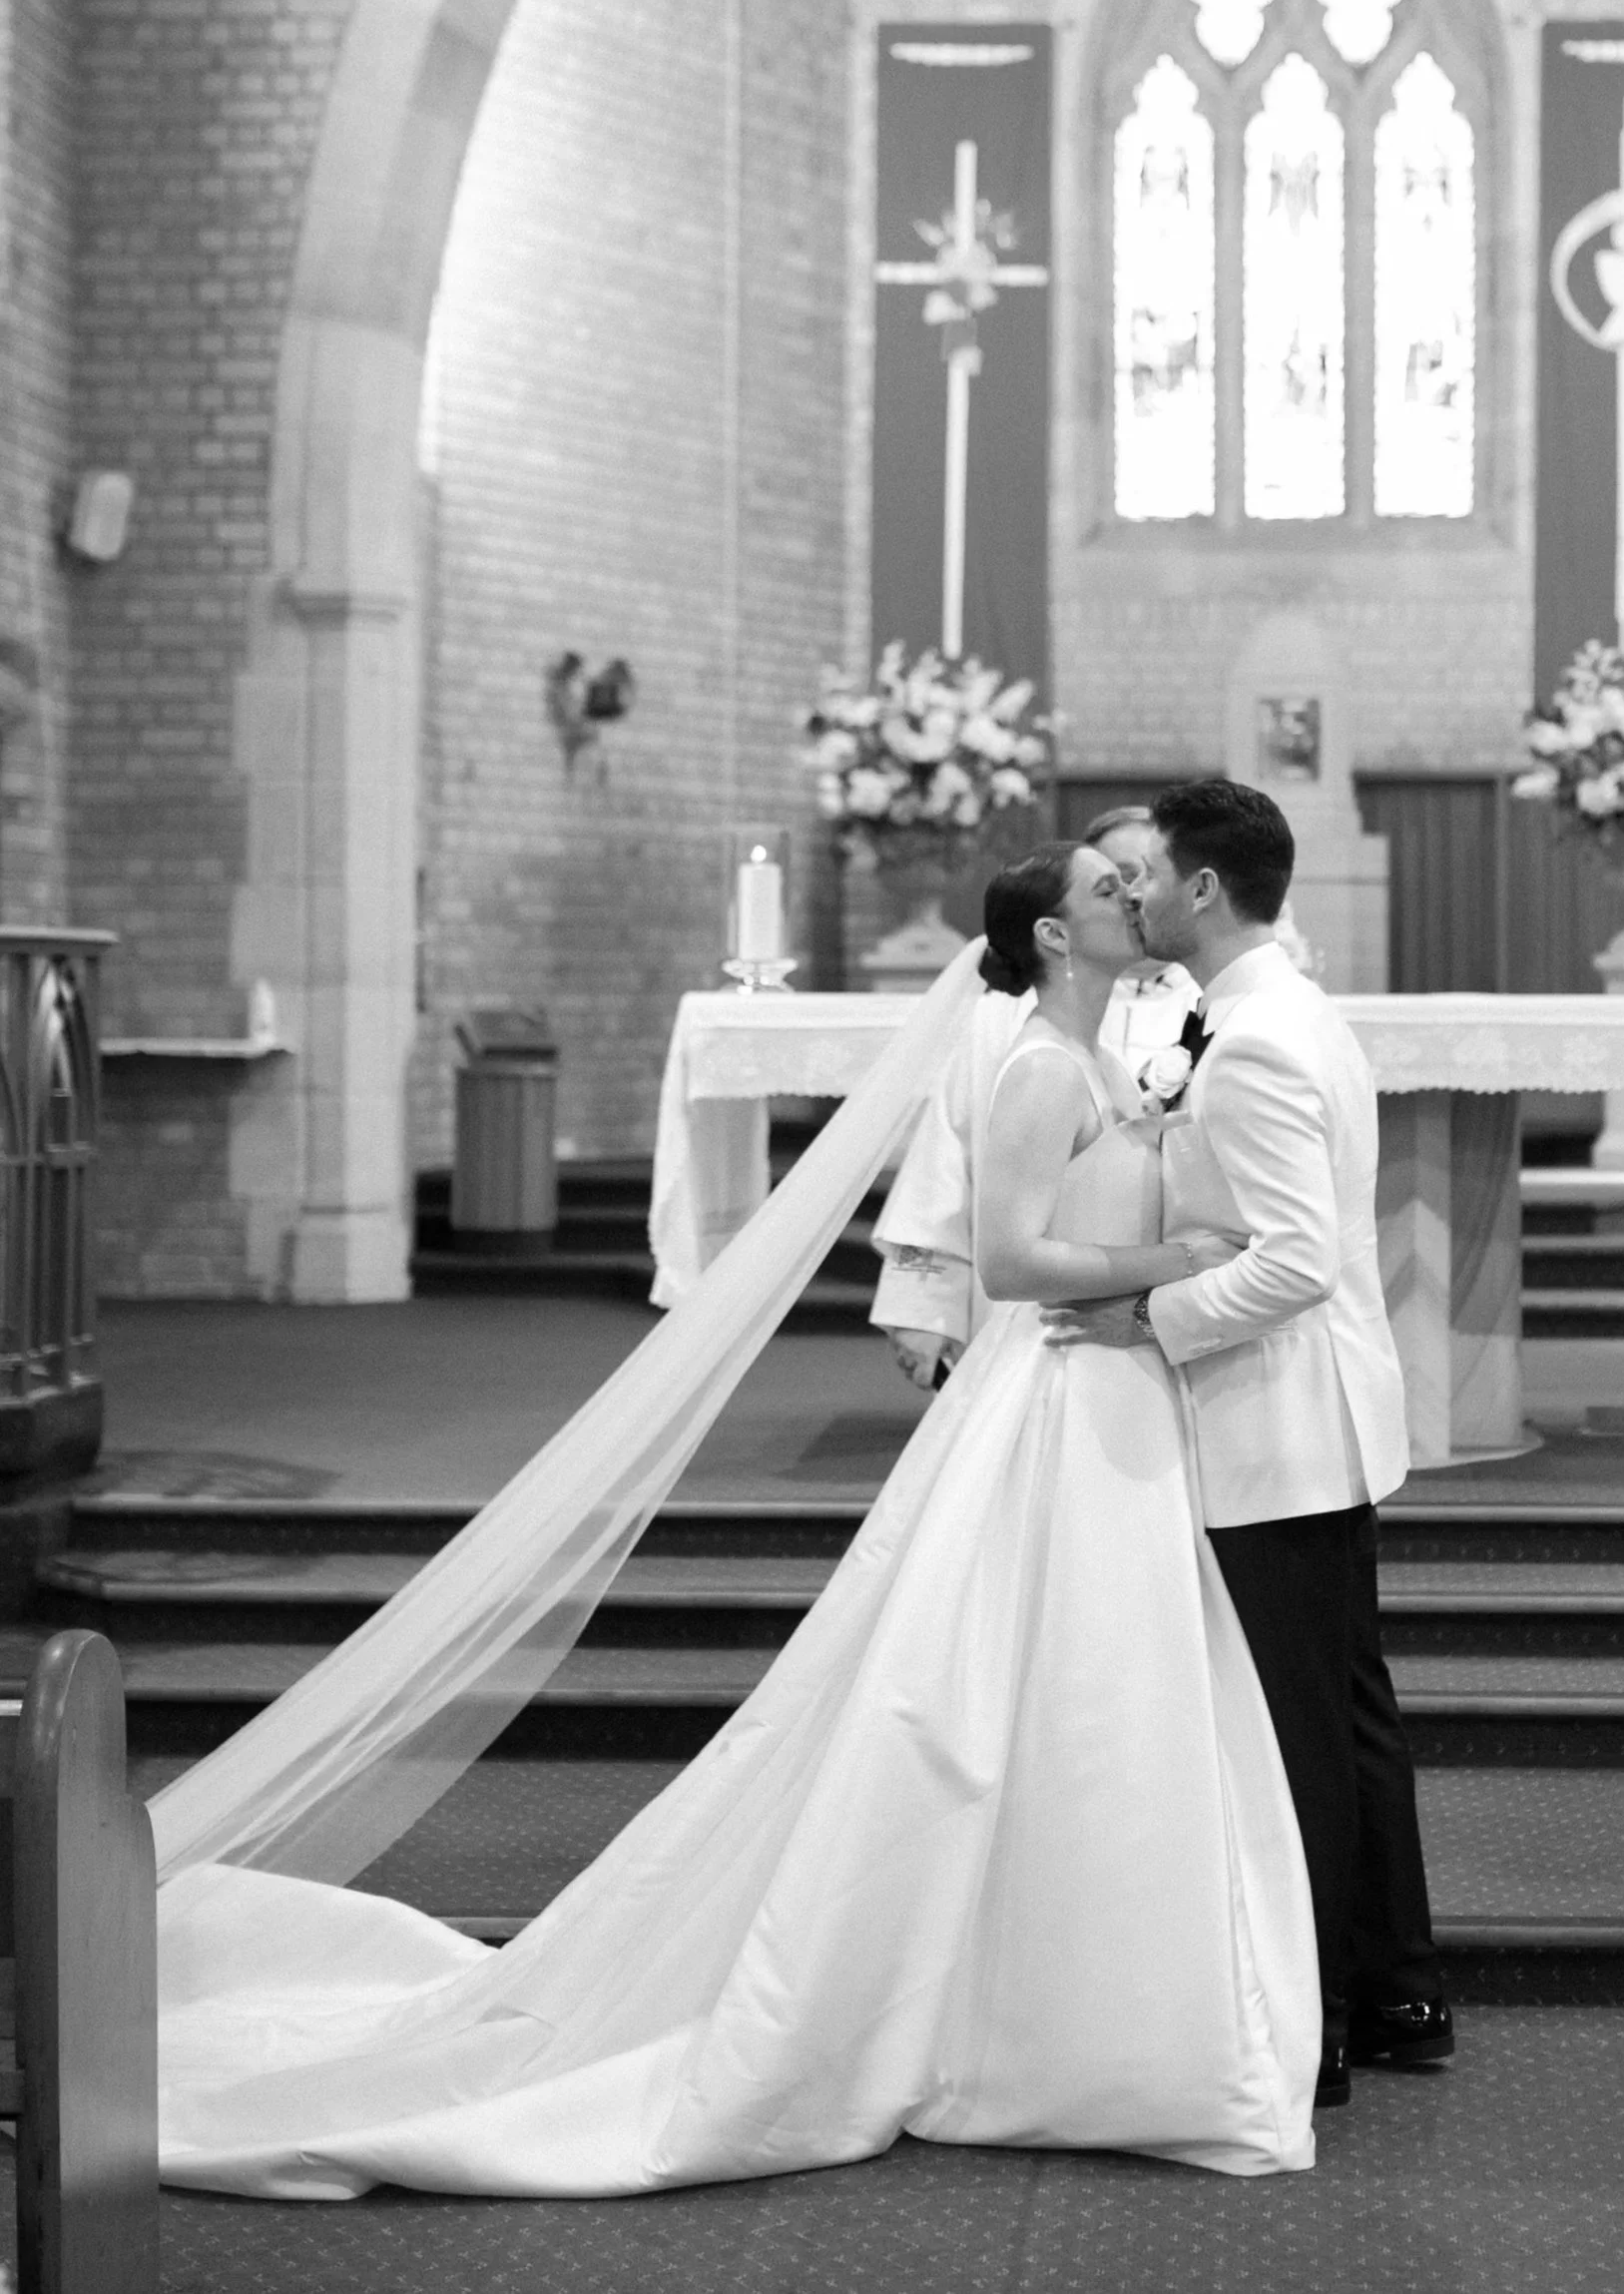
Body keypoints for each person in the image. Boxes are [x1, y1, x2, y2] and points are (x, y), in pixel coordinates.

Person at [154, 842, 1321, 2197]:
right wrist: (1164, 1265)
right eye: (1106, 890)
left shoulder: (1111, 1053)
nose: (1135, 895)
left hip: (1108, 1398)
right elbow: (1008, 1261)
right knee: (1006, 1695)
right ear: (1055, 939)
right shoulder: (1044, 1069)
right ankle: (1003, 2020)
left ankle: (1062, 2006)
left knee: (1093, 1703)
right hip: (1061, 1389)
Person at [1047, 776, 1452, 2109]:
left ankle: (1320, 2016)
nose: (1135, 890)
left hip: (1278, 1421)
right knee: (1348, 1712)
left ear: (1205, 888)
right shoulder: (1276, 1008)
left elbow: (1288, 1265)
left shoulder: (1264, 1037)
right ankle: (1399, 1988)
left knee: (1299, 1734)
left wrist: (1142, 1317)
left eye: (1150, 870)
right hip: (1315, 1422)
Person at [870, 806, 1198, 1389]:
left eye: (1146, 876)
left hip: (1132, 1340)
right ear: (1054, 930)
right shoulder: (1013, 1029)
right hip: (1056, 1334)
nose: (1135, 895)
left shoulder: (1189, 1010)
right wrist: (924, 1299)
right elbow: (949, 1151)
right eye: (1114, 881)